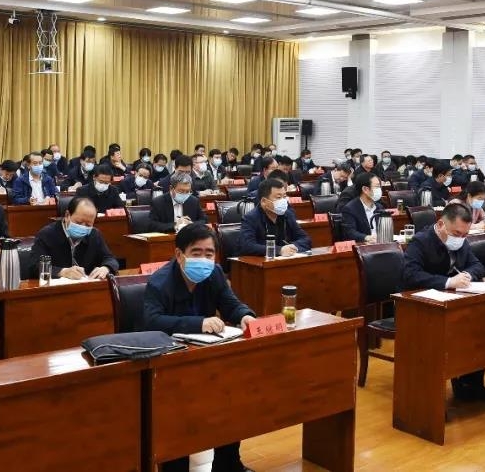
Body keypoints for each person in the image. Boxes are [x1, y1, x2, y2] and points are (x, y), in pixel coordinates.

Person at [142, 223, 257, 472]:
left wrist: (245, 315)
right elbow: (152, 322)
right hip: (169, 365)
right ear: (179, 254)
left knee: (231, 396)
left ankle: (228, 465)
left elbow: (230, 304)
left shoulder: (214, 273)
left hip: (205, 357)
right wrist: (199, 323)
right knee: (179, 412)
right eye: (197, 253)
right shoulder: (160, 282)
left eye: (209, 253)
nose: (204, 259)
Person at [402, 203, 485, 402]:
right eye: (457, 233)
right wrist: (447, 282)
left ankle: (471, 385)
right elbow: (410, 275)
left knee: (482, 326)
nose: (460, 238)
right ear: (440, 225)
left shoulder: (461, 240)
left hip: (451, 302)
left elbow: (477, 265)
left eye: (465, 235)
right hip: (419, 306)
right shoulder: (421, 241)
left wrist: (467, 274)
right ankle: (429, 397)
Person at [23, 197, 119, 280]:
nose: (83, 227)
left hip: (86, 287)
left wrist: (106, 268)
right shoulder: (47, 234)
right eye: (79, 222)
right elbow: (34, 267)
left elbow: (110, 258)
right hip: (56, 290)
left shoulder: (94, 234)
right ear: (67, 215)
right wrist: (62, 272)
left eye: (88, 224)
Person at [239, 178, 312, 257]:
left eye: (284, 197)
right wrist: (279, 250)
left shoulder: (287, 214)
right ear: (264, 201)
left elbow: (306, 239)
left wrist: (292, 247)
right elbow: (247, 246)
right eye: (278, 197)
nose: (283, 201)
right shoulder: (250, 218)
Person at [341, 171, 384, 243]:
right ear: (365, 189)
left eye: (380, 187)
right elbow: (350, 232)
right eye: (377, 186)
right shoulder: (350, 209)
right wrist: (366, 237)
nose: (379, 190)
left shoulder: (379, 207)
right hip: (364, 246)